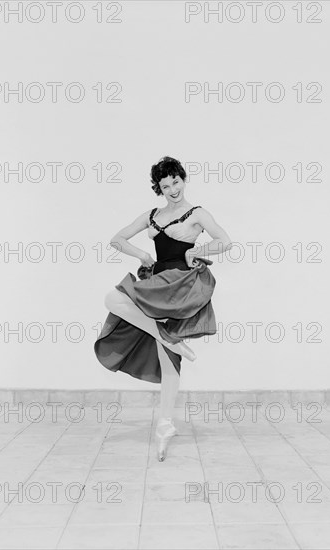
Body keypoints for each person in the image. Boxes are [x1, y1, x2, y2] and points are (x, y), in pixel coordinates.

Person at [94, 156, 233, 460]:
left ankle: (165, 422)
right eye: (165, 185)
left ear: (183, 179)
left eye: (176, 182)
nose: (172, 189)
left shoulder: (197, 213)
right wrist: (142, 254)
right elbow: (116, 239)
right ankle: (166, 341)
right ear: (158, 187)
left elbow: (225, 241)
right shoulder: (153, 214)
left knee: (166, 355)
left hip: (181, 282)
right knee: (114, 300)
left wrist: (198, 249)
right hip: (157, 279)